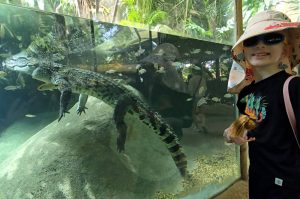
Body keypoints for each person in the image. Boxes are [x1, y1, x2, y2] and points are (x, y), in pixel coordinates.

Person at [223, 10, 300, 198]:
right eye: (252, 41)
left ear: (287, 48)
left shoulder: (294, 88)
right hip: (258, 178)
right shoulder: (245, 93)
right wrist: (232, 131)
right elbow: (251, 122)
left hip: (290, 185)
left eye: (272, 38)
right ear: (244, 50)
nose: (260, 45)